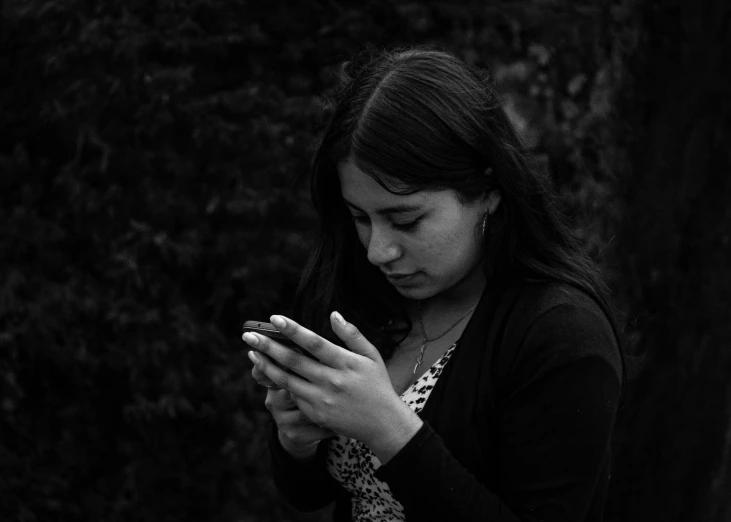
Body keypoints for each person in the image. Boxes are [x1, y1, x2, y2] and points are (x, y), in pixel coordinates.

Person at [243, 46, 627, 522]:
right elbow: (311, 493)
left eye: (406, 220)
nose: (378, 250)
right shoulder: (369, 295)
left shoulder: (561, 336)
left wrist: (390, 428)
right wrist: (295, 440)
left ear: (488, 190)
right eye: (360, 217)